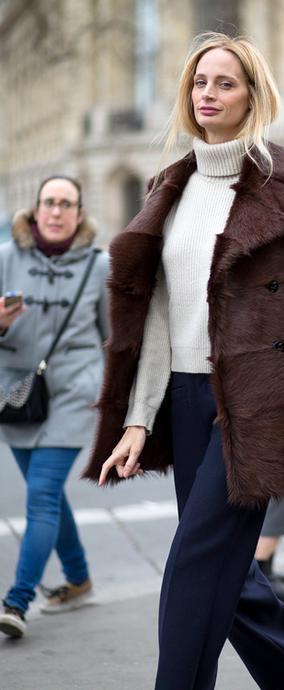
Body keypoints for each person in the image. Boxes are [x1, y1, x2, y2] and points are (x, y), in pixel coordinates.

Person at [83, 32, 284, 690]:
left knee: (192, 566)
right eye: (199, 82)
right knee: (229, 581)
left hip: (259, 404)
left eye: (225, 83)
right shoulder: (166, 187)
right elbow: (153, 315)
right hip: (185, 401)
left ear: (252, 97)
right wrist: (137, 418)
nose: (207, 94)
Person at [0, 176, 109, 639]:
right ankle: (79, 578)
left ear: (79, 214)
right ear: (36, 208)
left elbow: (113, 335)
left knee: (42, 494)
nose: (57, 211)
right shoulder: (6, 257)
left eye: (67, 204)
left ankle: (16, 603)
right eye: (50, 202)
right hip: (16, 392)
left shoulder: (99, 266)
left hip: (74, 392)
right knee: (48, 493)